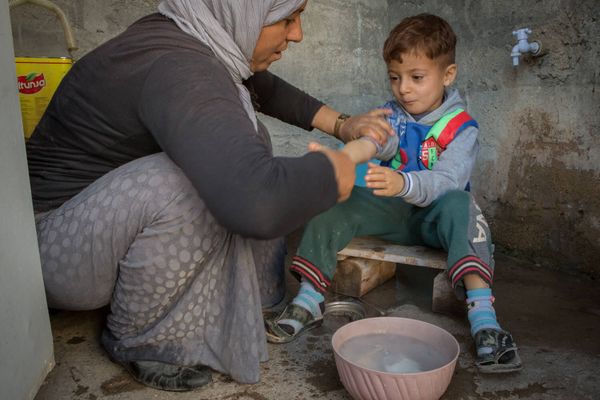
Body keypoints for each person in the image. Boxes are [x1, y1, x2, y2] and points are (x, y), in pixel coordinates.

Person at [25, 0, 396, 392]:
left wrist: (341, 124)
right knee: (183, 183)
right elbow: (257, 201)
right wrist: (340, 165)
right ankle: (144, 339)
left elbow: (259, 86)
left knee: (246, 138)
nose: (297, 34)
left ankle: (254, 295)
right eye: (286, 19)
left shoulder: (192, 34)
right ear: (240, 11)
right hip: (50, 248)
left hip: (96, 226)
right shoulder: (178, 64)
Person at [265, 13, 522, 373]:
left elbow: (447, 180)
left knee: (464, 206)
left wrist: (405, 184)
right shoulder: (392, 114)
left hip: (436, 219)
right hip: (393, 213)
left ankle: (484, 318)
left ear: (447, 75)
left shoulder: (462, 128)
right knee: (333, 200)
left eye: (417, 78)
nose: (403, 88)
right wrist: (339, 161)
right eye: (395, 78)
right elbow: (374, 143)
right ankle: (309, 300)